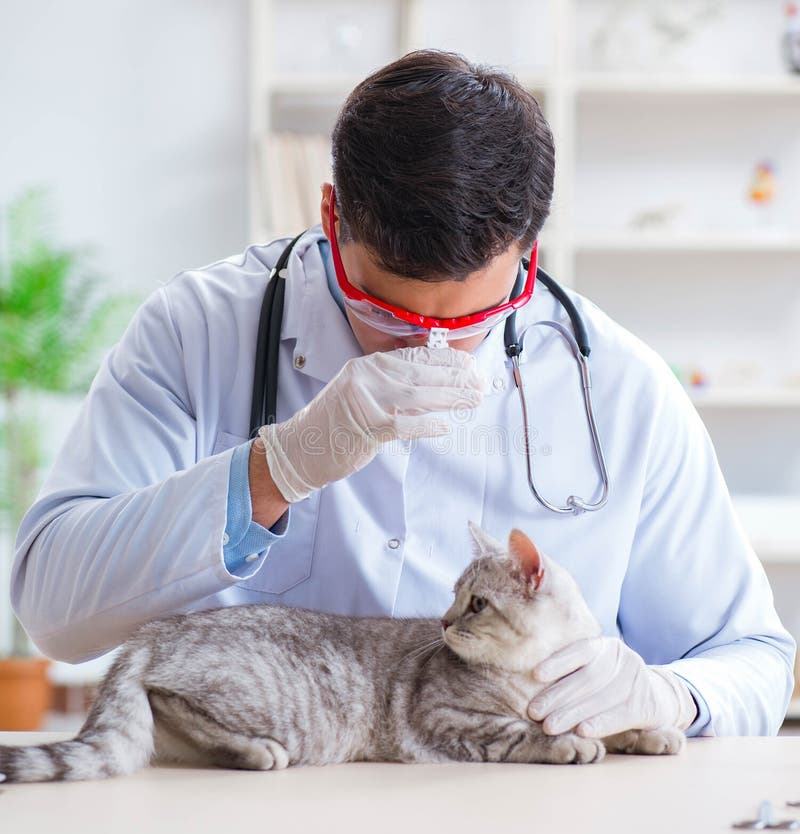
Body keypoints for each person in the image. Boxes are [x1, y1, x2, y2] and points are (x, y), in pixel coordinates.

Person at [12, 50, 794, 738]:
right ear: (330, 217)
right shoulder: (198, 330)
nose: (432, 345)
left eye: (475, 317)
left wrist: (672, 694)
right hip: (252, 790)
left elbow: (754, 657)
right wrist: (273, 472)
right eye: (385, 310)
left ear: (529, 252)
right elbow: (51, 611)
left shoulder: (620, 389)